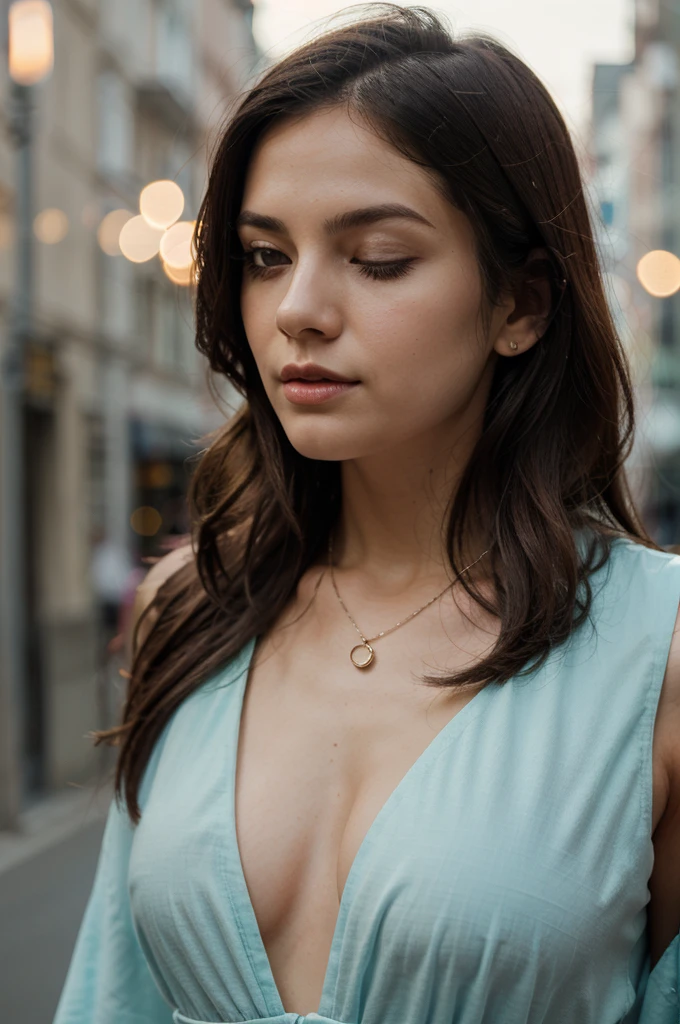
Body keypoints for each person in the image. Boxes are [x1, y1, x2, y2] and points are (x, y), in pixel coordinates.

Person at [53, 6, 680, 1023]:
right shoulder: (192, 608)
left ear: (521, 303)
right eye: (263, 255)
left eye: (376, 257)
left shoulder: (658, 652)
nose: (297, 306)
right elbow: (106, 996)